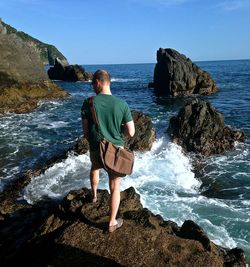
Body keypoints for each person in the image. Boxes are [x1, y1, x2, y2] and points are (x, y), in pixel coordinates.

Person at [81, 70, 135, 233]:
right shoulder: (122, 104)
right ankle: (111, 222)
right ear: (108, 82)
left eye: (92, 84)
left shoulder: (88, 102)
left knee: (94, 168)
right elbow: (131, 132)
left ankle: (94, 196)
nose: (92, 86)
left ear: (98, 82)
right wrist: (118, 132)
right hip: (115, 151)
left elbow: (85, 132)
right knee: (115, 187)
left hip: (97, 148)